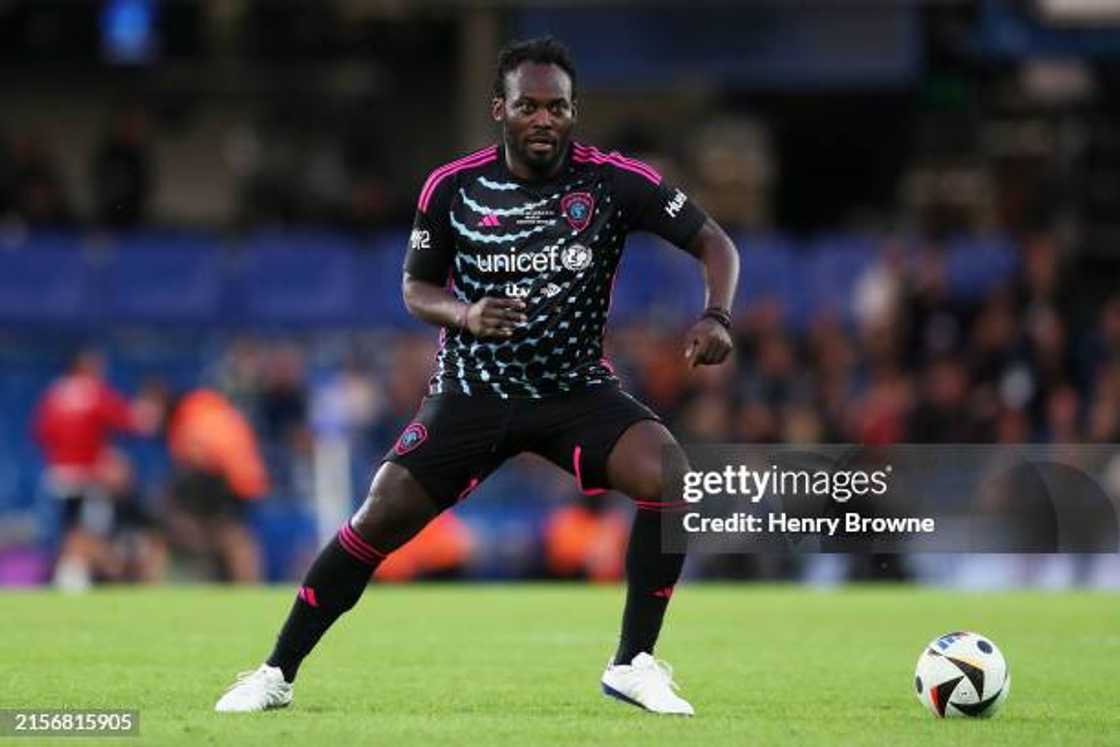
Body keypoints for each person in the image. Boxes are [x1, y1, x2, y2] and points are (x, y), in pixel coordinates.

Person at [215, 37, 738, 716]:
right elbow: (414, 288)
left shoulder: (613, 181)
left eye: (558, 107)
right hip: (471, 392)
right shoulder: (453, 187)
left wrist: (717, 314)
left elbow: (714, 241)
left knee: (667, 471)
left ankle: (634, 662)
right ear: (501, 108)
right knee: (376, 519)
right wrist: (465, 313)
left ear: (573, 112)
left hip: (573, 389)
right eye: (530, 105)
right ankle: (275, 671)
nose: (545, 118)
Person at [32, 350, 159, 589]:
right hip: (86, 477)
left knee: (71, 529)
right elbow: (129, 422)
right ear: (85, 366)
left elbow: (40, 432)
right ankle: (85, 575)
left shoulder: (55, 393)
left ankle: (70, 574)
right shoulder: (94, 392)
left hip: (58, 476)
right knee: (88, 530)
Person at [166, 388, 270, 583]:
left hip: (226, 484)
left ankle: (245, 586)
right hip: (229, 483)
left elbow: (191, 453)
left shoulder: (194, 414)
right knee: (235, 543)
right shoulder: (211, 411)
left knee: (235, 543)